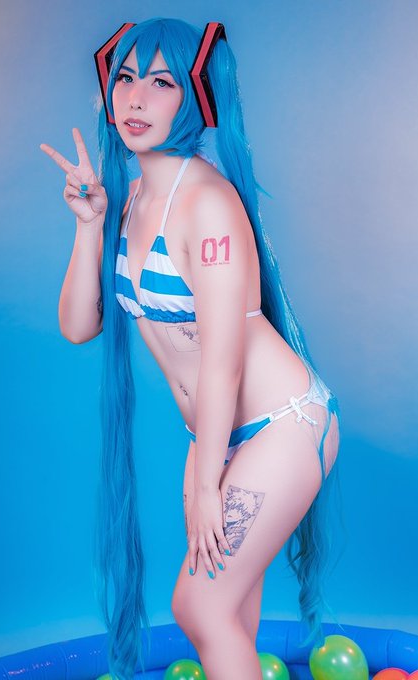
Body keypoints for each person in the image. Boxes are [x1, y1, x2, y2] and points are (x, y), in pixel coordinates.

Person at [40, 17, 342, 680]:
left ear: (195, 95)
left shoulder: (206, 202)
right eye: (125, 78)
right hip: (213, 434)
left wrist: (208, 486)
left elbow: (224, 358)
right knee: (227, 613)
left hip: (282, 426)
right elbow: (79, 326)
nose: (135, 98)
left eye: (161, 82)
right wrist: (89, 225)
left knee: (200, 606)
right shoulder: (129, 200)